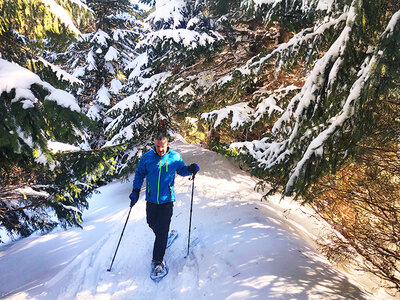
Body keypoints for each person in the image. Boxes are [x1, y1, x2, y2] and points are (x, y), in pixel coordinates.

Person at [129, 132, 199, 277]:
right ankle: (163, 239)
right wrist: (136, 190)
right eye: (158, 146)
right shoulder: (147, 158)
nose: (160, 149)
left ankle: (157, 261)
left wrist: (190, 169)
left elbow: (181, 170)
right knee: (151, 223)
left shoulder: (174, 157)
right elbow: (139, 174)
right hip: (152, 200)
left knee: (162, 231)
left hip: (167, 200)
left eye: (163, 146)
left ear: (167, 144)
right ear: (155, 145)